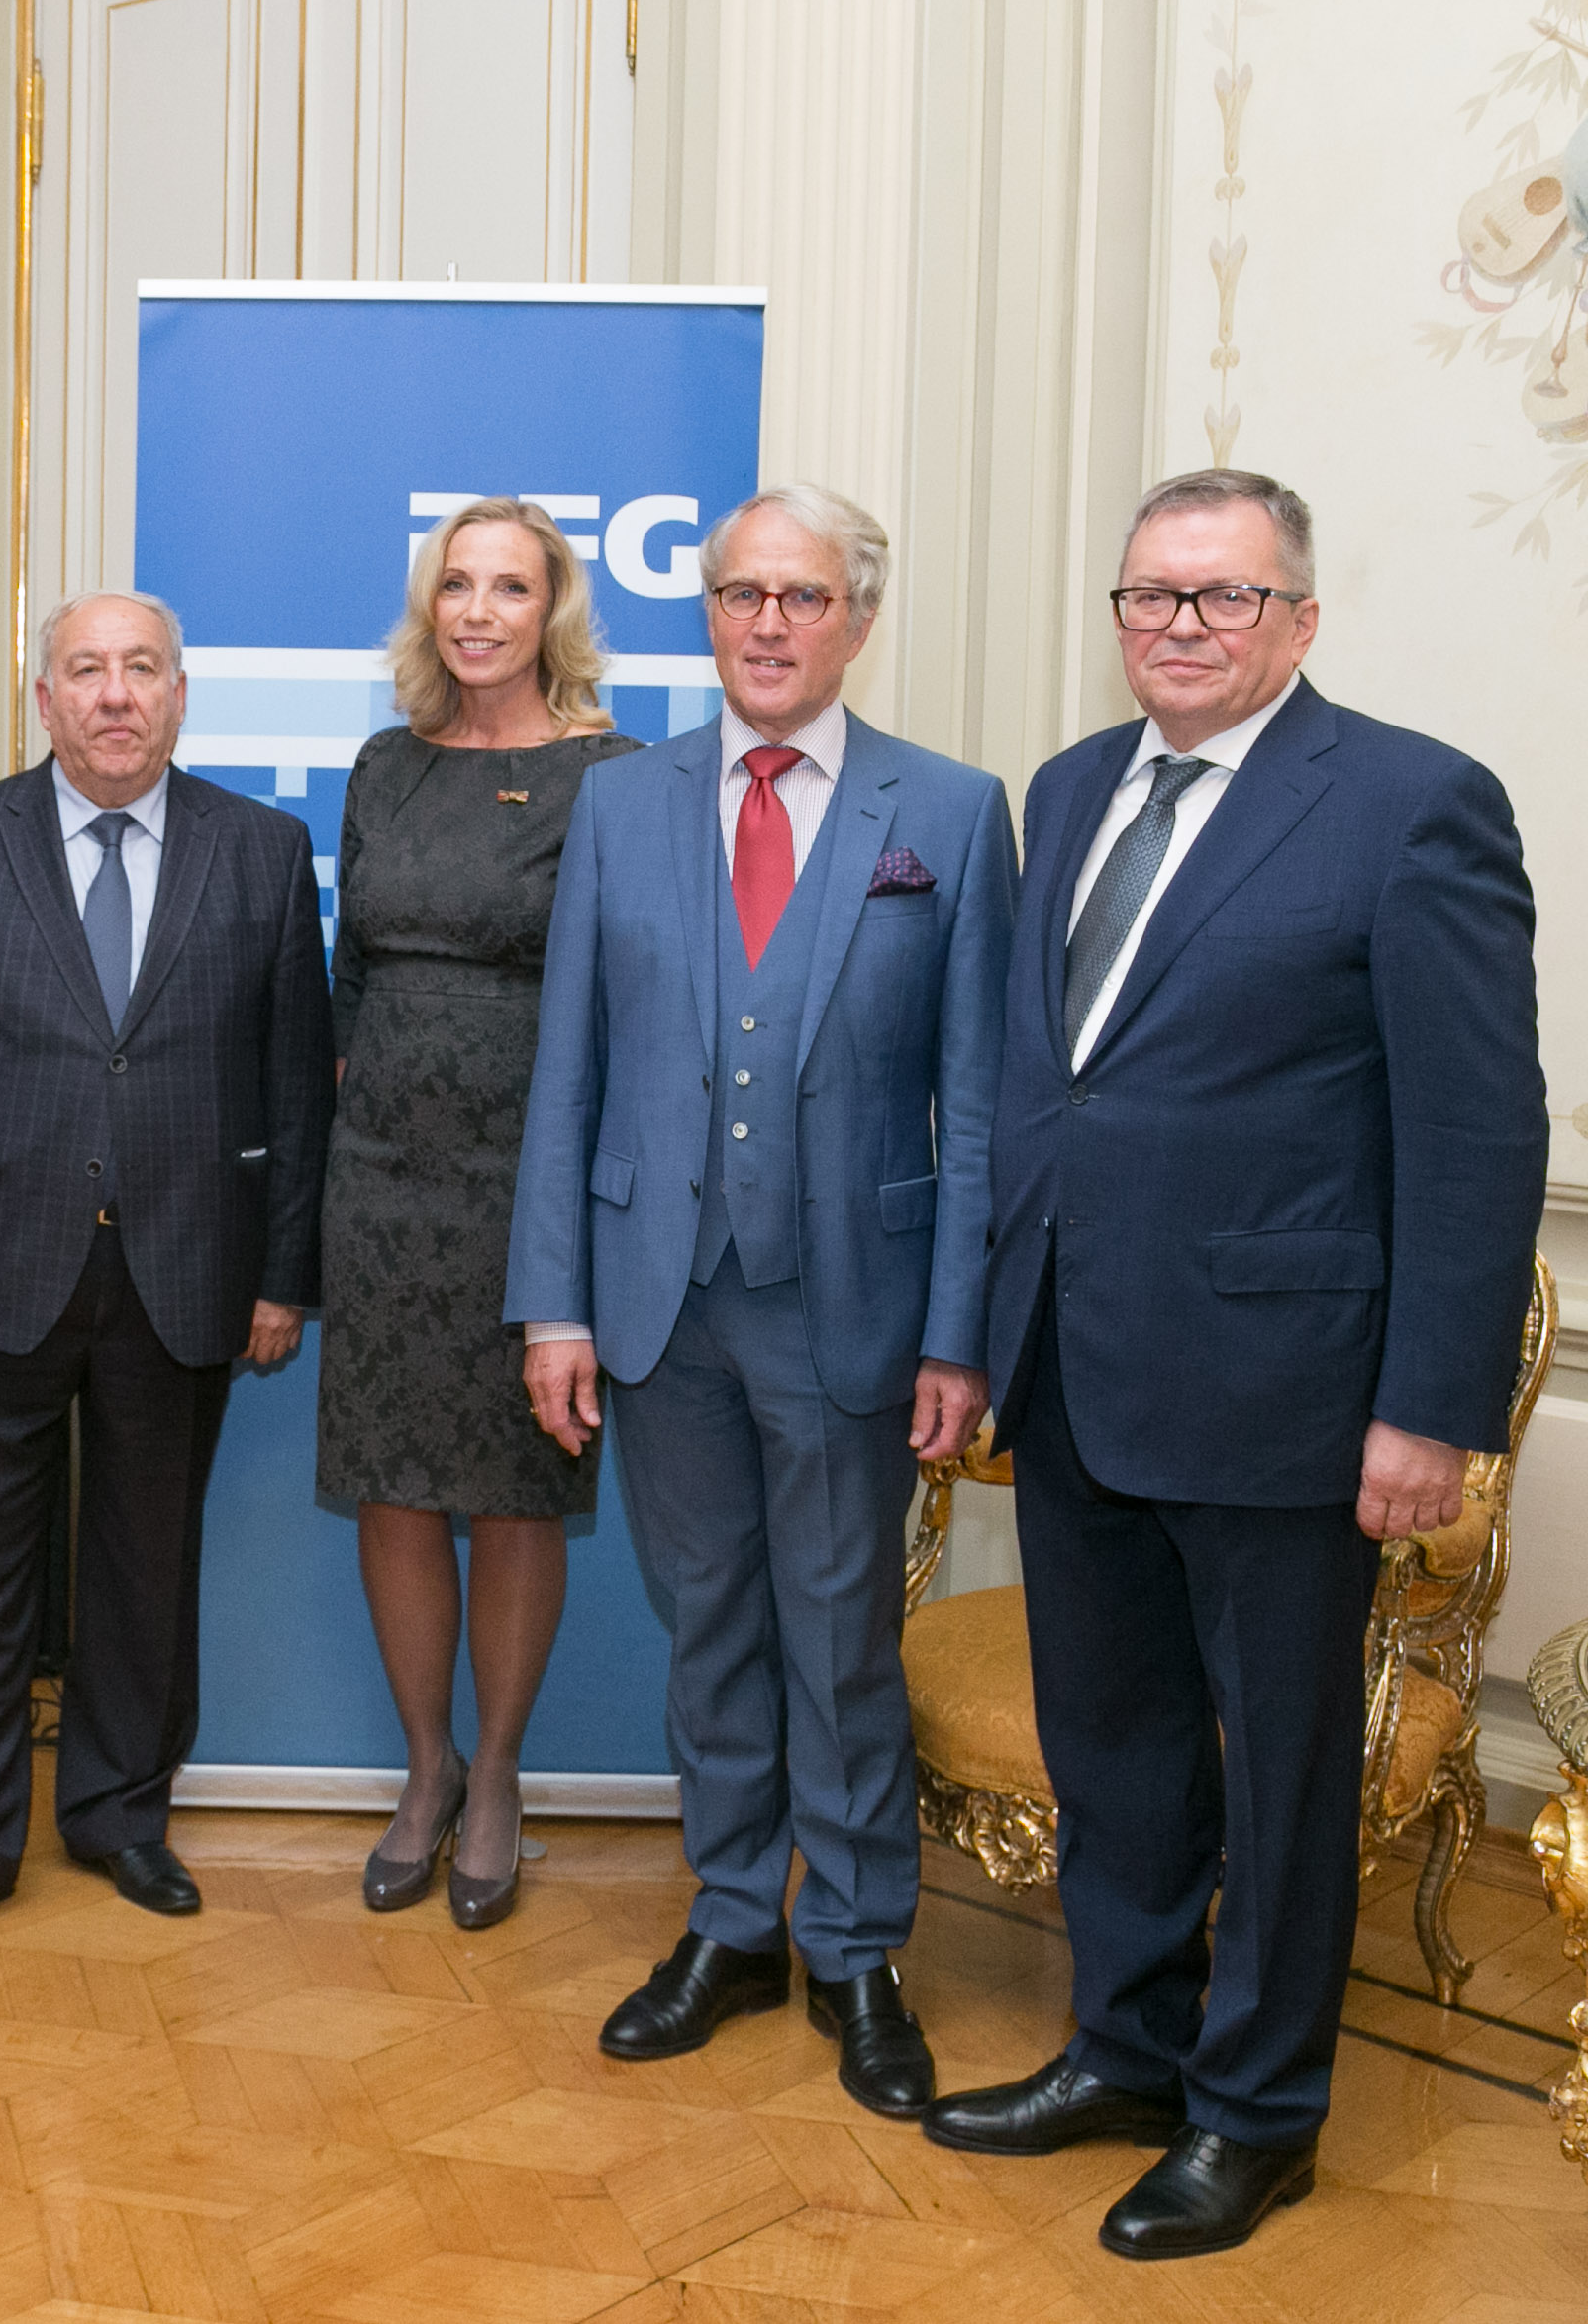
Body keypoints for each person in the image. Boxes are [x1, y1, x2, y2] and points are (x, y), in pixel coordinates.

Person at [921, 470, 1544, 2257]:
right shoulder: (1063, 791)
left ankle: (1255, 2113)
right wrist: (976, 1329)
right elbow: (1053, 1093)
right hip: (1073, 1367)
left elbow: (1477, 1134)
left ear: (1299, 619)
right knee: (1110, 1739)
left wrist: (1431, 1409)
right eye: (1148, 598)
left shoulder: (1412, 805)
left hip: (1287, 1394)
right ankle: (1122, 2048)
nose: (1179, 628)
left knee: (1275, 1773)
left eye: (1220, 598)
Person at [509, 484, 1013, 2120]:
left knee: (840, 1644)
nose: (771, 624)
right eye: (742, 595)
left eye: (803, 596)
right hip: (658, 1311)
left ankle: (856, 1949)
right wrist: (552, 1309)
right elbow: (566, 1074)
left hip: (850, 1310)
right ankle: (731, 1922)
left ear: (858, 619)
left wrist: (958, 1331)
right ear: (706, 613)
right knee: (707, 1630)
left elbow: (980, 1100)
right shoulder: (622, 806)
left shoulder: (946, 810)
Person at [0, 589, 335, 1956]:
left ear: (180, 695)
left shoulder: (263, 849)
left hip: (186, 1271)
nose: (114, 695)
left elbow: (297, 1083)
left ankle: (120, 1815)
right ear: (42, 698)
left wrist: (284, 1275)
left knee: (141, 1565)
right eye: (85, 672)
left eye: (140, 671)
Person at [322, 498, 640, 1929]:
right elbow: (347, 977)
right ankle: (424, 1767)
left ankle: (501, 1774)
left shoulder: (611, 775)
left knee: (514, 1491)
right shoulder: (384, 768)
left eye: (509, 587)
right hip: (379, 1172)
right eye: (457, 584)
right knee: (393, 1481)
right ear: (428, 605)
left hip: (532, 1178)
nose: (478, 611)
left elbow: (633, 997)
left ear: (550, 610)